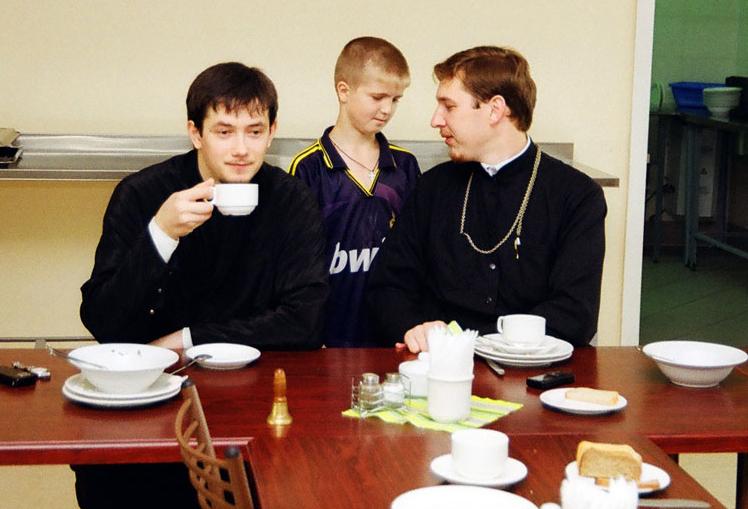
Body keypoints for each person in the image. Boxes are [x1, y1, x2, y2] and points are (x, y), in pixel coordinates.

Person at [74, 62, 329, 509]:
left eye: (254, 132)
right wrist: (160, 235)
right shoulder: (143, 194)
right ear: (195, 133)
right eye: (224, 132)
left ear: (272, 133)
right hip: (151, 402)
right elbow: (104, 322)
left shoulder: (291, 200)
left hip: (254, 404)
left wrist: (189, 339)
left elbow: (305, 321)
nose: (241, 149)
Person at [367, 46, 607, 353]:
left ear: (495, 110)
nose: (435, 120)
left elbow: (575, 315)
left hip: (534, 369)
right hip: (439, 365)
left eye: (449, 106)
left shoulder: (577, 196)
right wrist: (415, 329)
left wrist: (477, 341)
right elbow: (388, 285)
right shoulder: (433, 187)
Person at [289, 37, 420, 346]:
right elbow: (294, 268)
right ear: (344, 91)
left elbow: (419, 259)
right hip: (328, 340)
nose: (387, 109)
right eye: (377, 97)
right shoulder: (308, 168)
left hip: (393, 340)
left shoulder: (405, 166)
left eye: (396, 99)